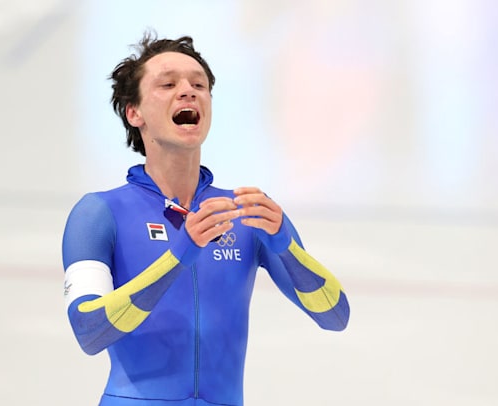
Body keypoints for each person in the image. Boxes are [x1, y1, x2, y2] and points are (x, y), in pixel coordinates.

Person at [62, 32, 350, 406]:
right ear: (134, 113)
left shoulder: (247, 213)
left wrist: (285, 245)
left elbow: (334, 316)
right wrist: (179, 255)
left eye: (199, 85)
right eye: (168, 84)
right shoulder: (99, 214)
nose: (188, 91)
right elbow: (89, 331)